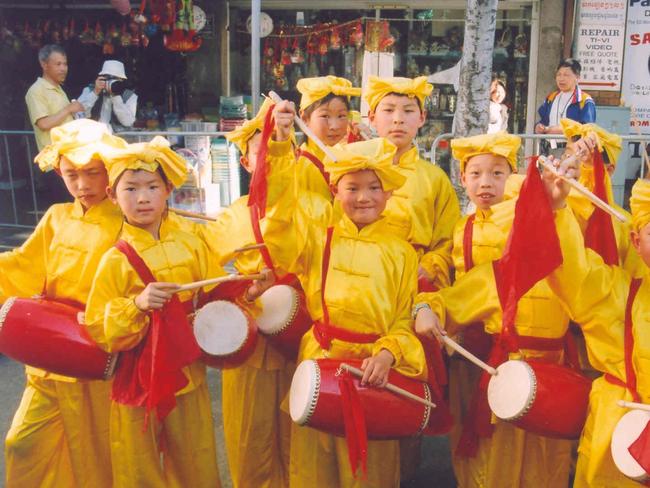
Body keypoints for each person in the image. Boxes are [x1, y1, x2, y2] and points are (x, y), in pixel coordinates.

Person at [263, 101, 428, 487]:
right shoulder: (318, 238)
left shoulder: (401, 251)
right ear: (335, 191)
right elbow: (280, 221)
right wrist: (280, 145)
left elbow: (404, 318)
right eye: (352, 188)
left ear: (389, 195)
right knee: (312, 470)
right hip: (320, 365)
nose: (364, 197)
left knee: (369, 474)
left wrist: (389, 354)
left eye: (374, 188)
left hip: (375, 376)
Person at [413, 134, 575, 488]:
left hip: (519, 343)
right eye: (476, 174)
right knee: (475, 436)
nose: (485, 182)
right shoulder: (463, 226)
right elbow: (461, 280)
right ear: (462, 177)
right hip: (473, 344)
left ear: (512, 176)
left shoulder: (523, 222)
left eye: (497, 173)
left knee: (530, 446)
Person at [84, 136, 224, 488]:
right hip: (138, 380)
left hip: (186, 374)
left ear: (169, 190)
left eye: (152, 187)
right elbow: (99, 325)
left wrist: (247, 291)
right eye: (130, 188)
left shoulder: (192, 242)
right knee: (137, 466)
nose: (143, 198)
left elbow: (216, 296)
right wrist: (136, 305)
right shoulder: (115, 258)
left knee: (196, 459)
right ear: (113, 196)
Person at [0, 119, 127, 488]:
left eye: (93, 172)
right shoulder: (56, 217)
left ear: (110, 171)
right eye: (72, 174)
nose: (83, 184)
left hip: (99, 355)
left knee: (97, 457)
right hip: (48, 354)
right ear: (59, 171)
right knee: (22, 445)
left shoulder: (128, 219)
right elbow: (21, 268)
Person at [200, 98, 307, 488]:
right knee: (250, 435)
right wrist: (242, 290)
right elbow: (207, 276)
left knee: (302, 429)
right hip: (250, 340)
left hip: (300, 332)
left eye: (276, 149)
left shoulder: (307, 207)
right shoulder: (230, 216)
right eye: (258, 151)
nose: (268, 158)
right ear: (245, 162)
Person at [541, 175, 650, 487]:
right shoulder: (617, 292)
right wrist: (558, 207)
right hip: (620, 429)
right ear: (635, 241)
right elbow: (574, 270)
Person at [364, 75, 460, 292]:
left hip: (417, 281)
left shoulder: (434, 179)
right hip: (366, 279)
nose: (398, 119)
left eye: (408, 111)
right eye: (388, 111)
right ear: (371, 117)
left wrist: (429, 267)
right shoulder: (357, 173)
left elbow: (449, 241)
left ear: (422, 118)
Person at [294, 75, 361, 200]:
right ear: (304, 118)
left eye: (341, 116)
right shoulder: (302, 164)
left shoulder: (349, 155)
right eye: (325, 116)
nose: (334, 126)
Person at [25, 44, 84, 150]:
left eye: (65, 64)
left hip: (70, 154)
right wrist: (68, 109)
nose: (63, 69)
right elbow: (43, 124)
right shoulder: (36, 90)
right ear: (44, 65)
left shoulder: (59, 89)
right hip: (54, 158)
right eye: (58, 64)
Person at [535, 58, 596, 155]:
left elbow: (585, 128)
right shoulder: (551, 97)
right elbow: (543, 121)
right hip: (548, 149)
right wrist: (539, 127)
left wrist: (556, 130)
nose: (561, 78)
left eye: (566, 75)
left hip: (572, 151)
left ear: (577, 77)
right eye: (559, 74)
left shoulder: (585, 100)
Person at [78, 60, 137, 131]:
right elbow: (78, 115)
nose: (112, 82)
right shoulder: (89, 90)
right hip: (93, 135)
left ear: (121, 80)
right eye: (108, 78)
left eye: (115, 79)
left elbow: (128, 122)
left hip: (117, 138)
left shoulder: (130, 96)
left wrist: (116, 97)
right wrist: (95, 93)